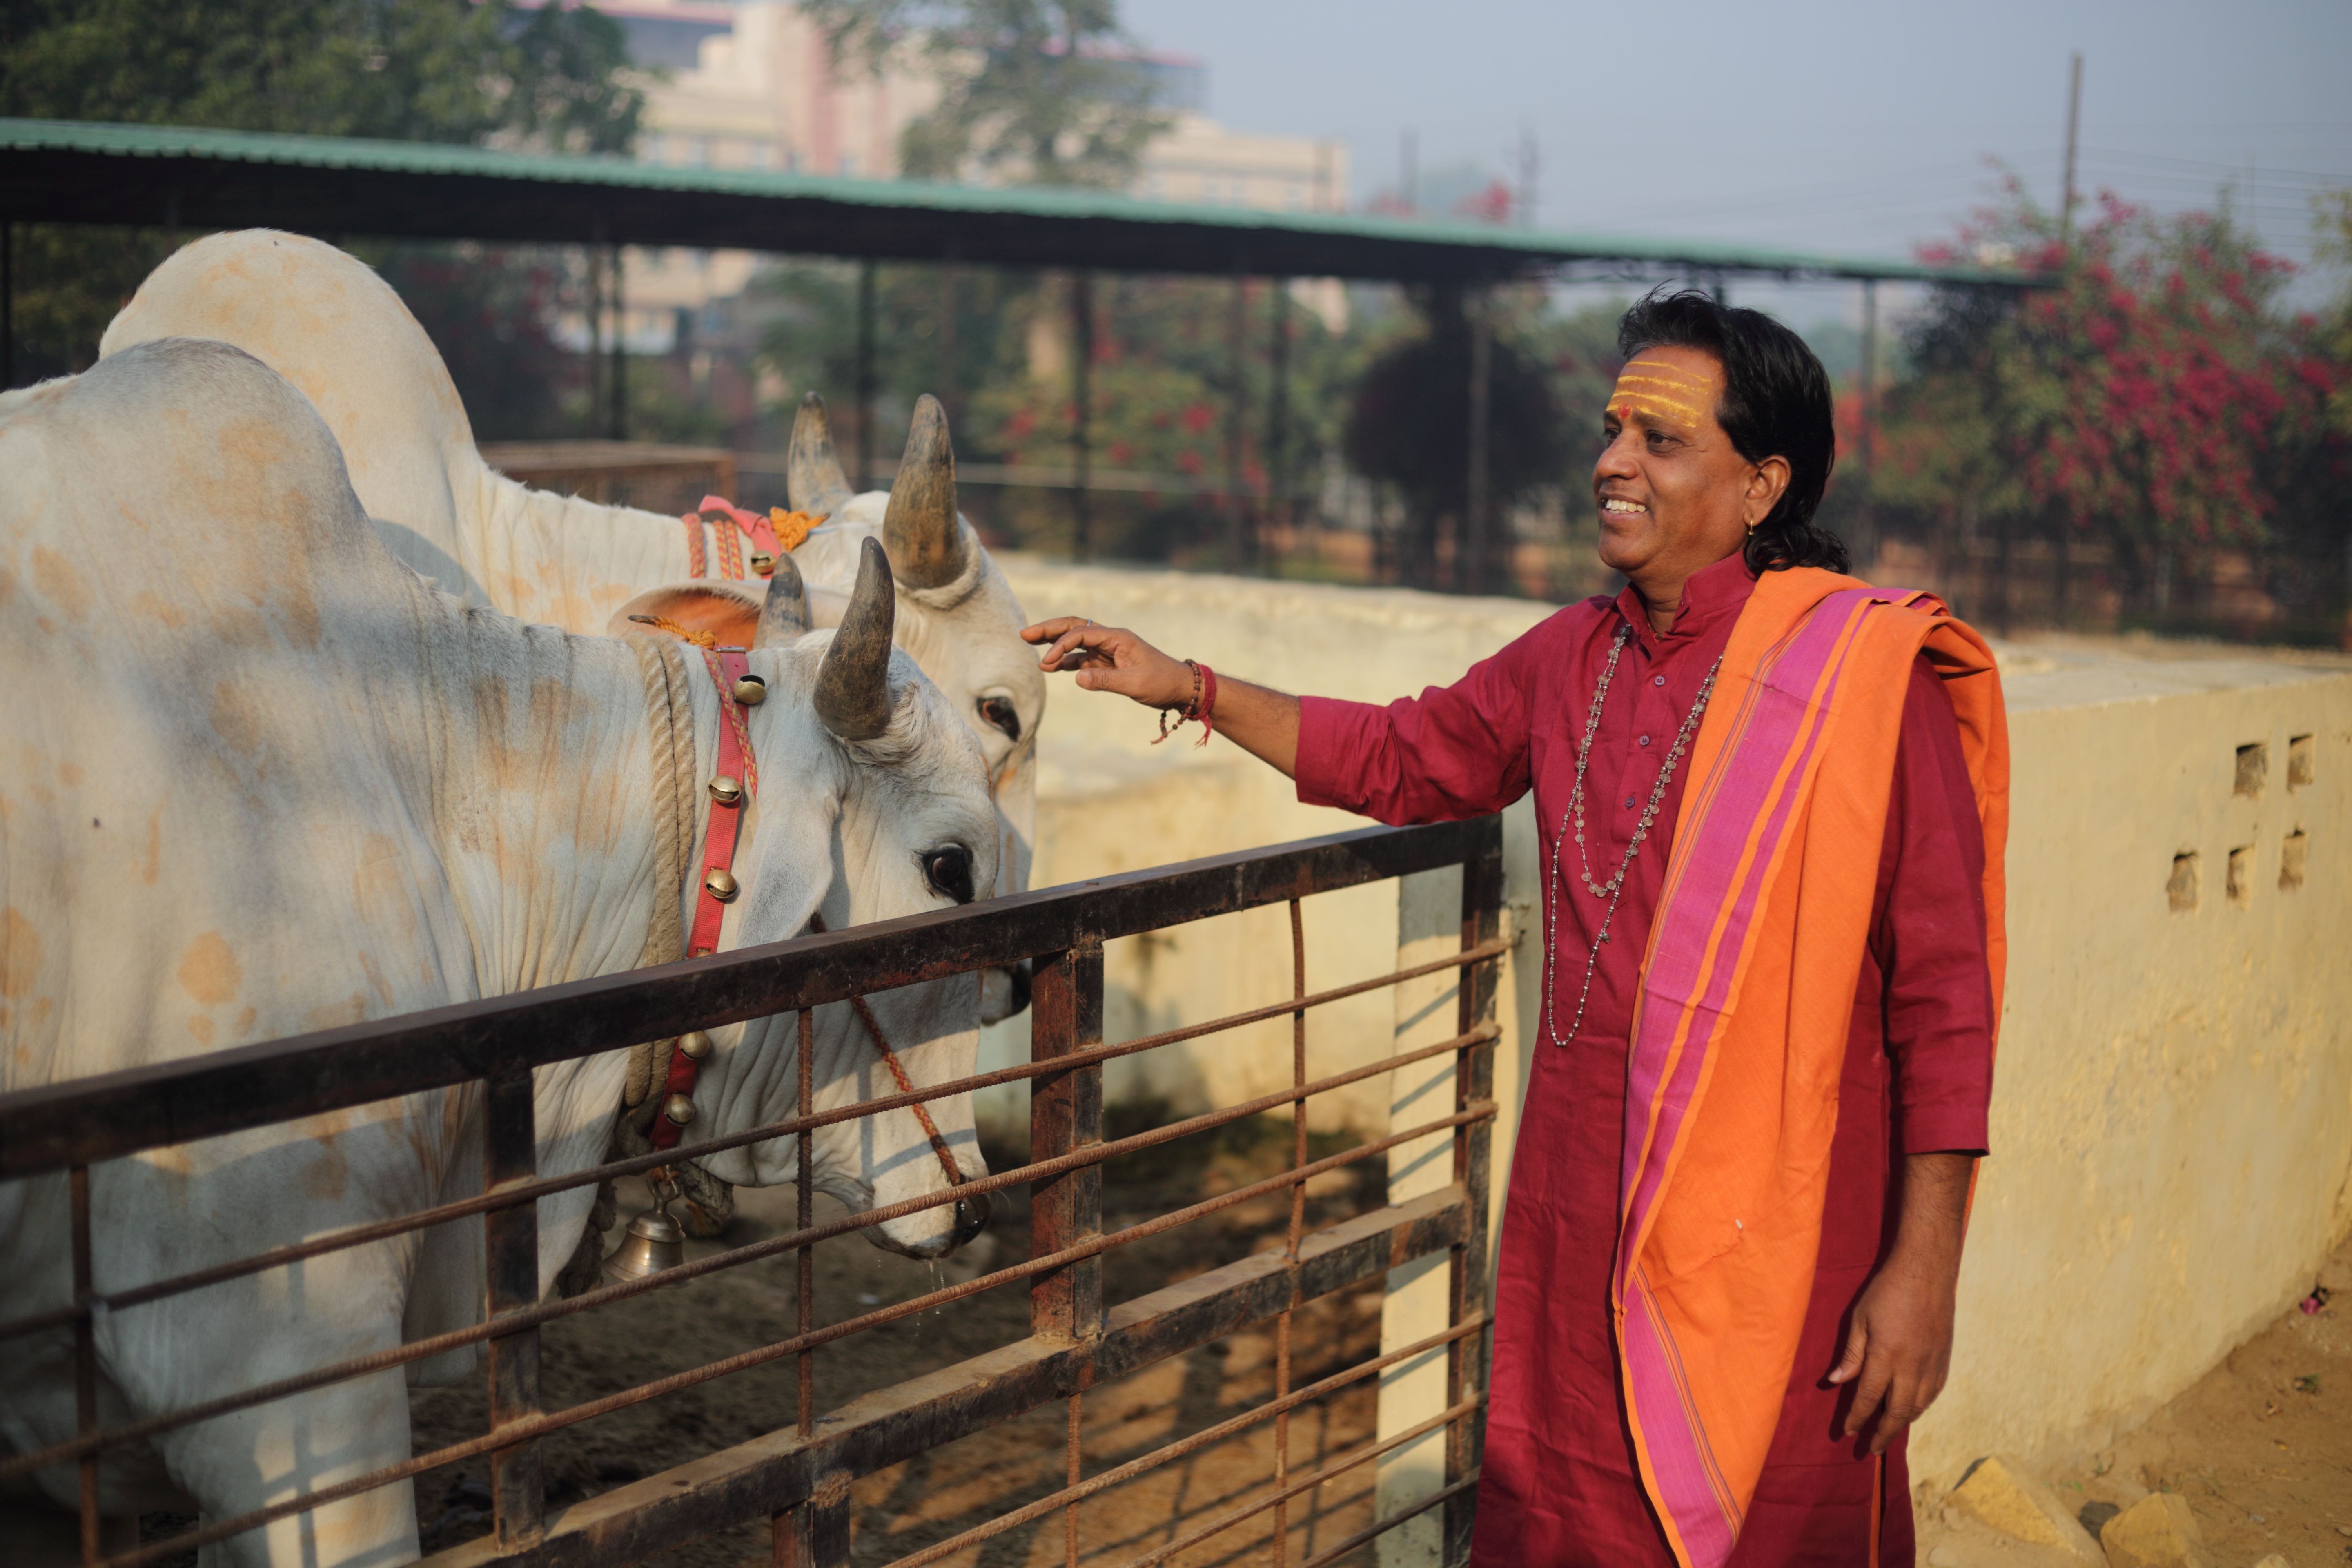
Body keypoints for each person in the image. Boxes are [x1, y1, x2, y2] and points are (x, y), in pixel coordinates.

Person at [1021, 288, 2007, 1568]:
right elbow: (1399, 756)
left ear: (1763, 485)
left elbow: (1947, 997)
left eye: (1659, 441)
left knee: (1772, 1521)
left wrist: (1923, 1271)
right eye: (1611, 431)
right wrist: (1188, 685)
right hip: (1571, 1205)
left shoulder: (1861, 686)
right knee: (1564, 1508)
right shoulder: (1571, 659)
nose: (1609, 462)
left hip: (1791, 1229)